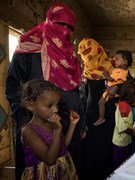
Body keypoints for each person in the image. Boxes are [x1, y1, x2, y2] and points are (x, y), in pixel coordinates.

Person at [5, 3, 84, 179]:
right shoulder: (29, 48)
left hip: (65, 122)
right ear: (49, 22)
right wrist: (26, 119)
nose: (64, 31)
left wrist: (80, 122)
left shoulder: (70, 57)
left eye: (69, 27)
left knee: (65, 167)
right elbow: (12, 86)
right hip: (36, 125)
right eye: (60, 24)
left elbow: (75, 91)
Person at [20, 80, 79, 179]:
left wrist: (72, 125)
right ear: (30, 105)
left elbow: (63, 147)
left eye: (57, 105)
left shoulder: (52, 124)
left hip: (62, 171)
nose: (56, 110)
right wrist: (56, 131)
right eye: (50, 105)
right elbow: (50, 160)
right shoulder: (28, 131)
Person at [94, 50, 133, 126]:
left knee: (101, 103)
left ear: (125, 62)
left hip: (112, 92)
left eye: (117, 59)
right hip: (111, 91)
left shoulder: (121, 72)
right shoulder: (120, 70)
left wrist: (106, 75)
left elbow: (112, 79)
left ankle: (101, 118)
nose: (114, 60)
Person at [112, 80, 135, 169]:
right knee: (120, 165)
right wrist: (134, 133)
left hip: (123, 141)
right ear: (132, 96)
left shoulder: (123, 104)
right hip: (121, 142)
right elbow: (122, 126)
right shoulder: (125, 107)